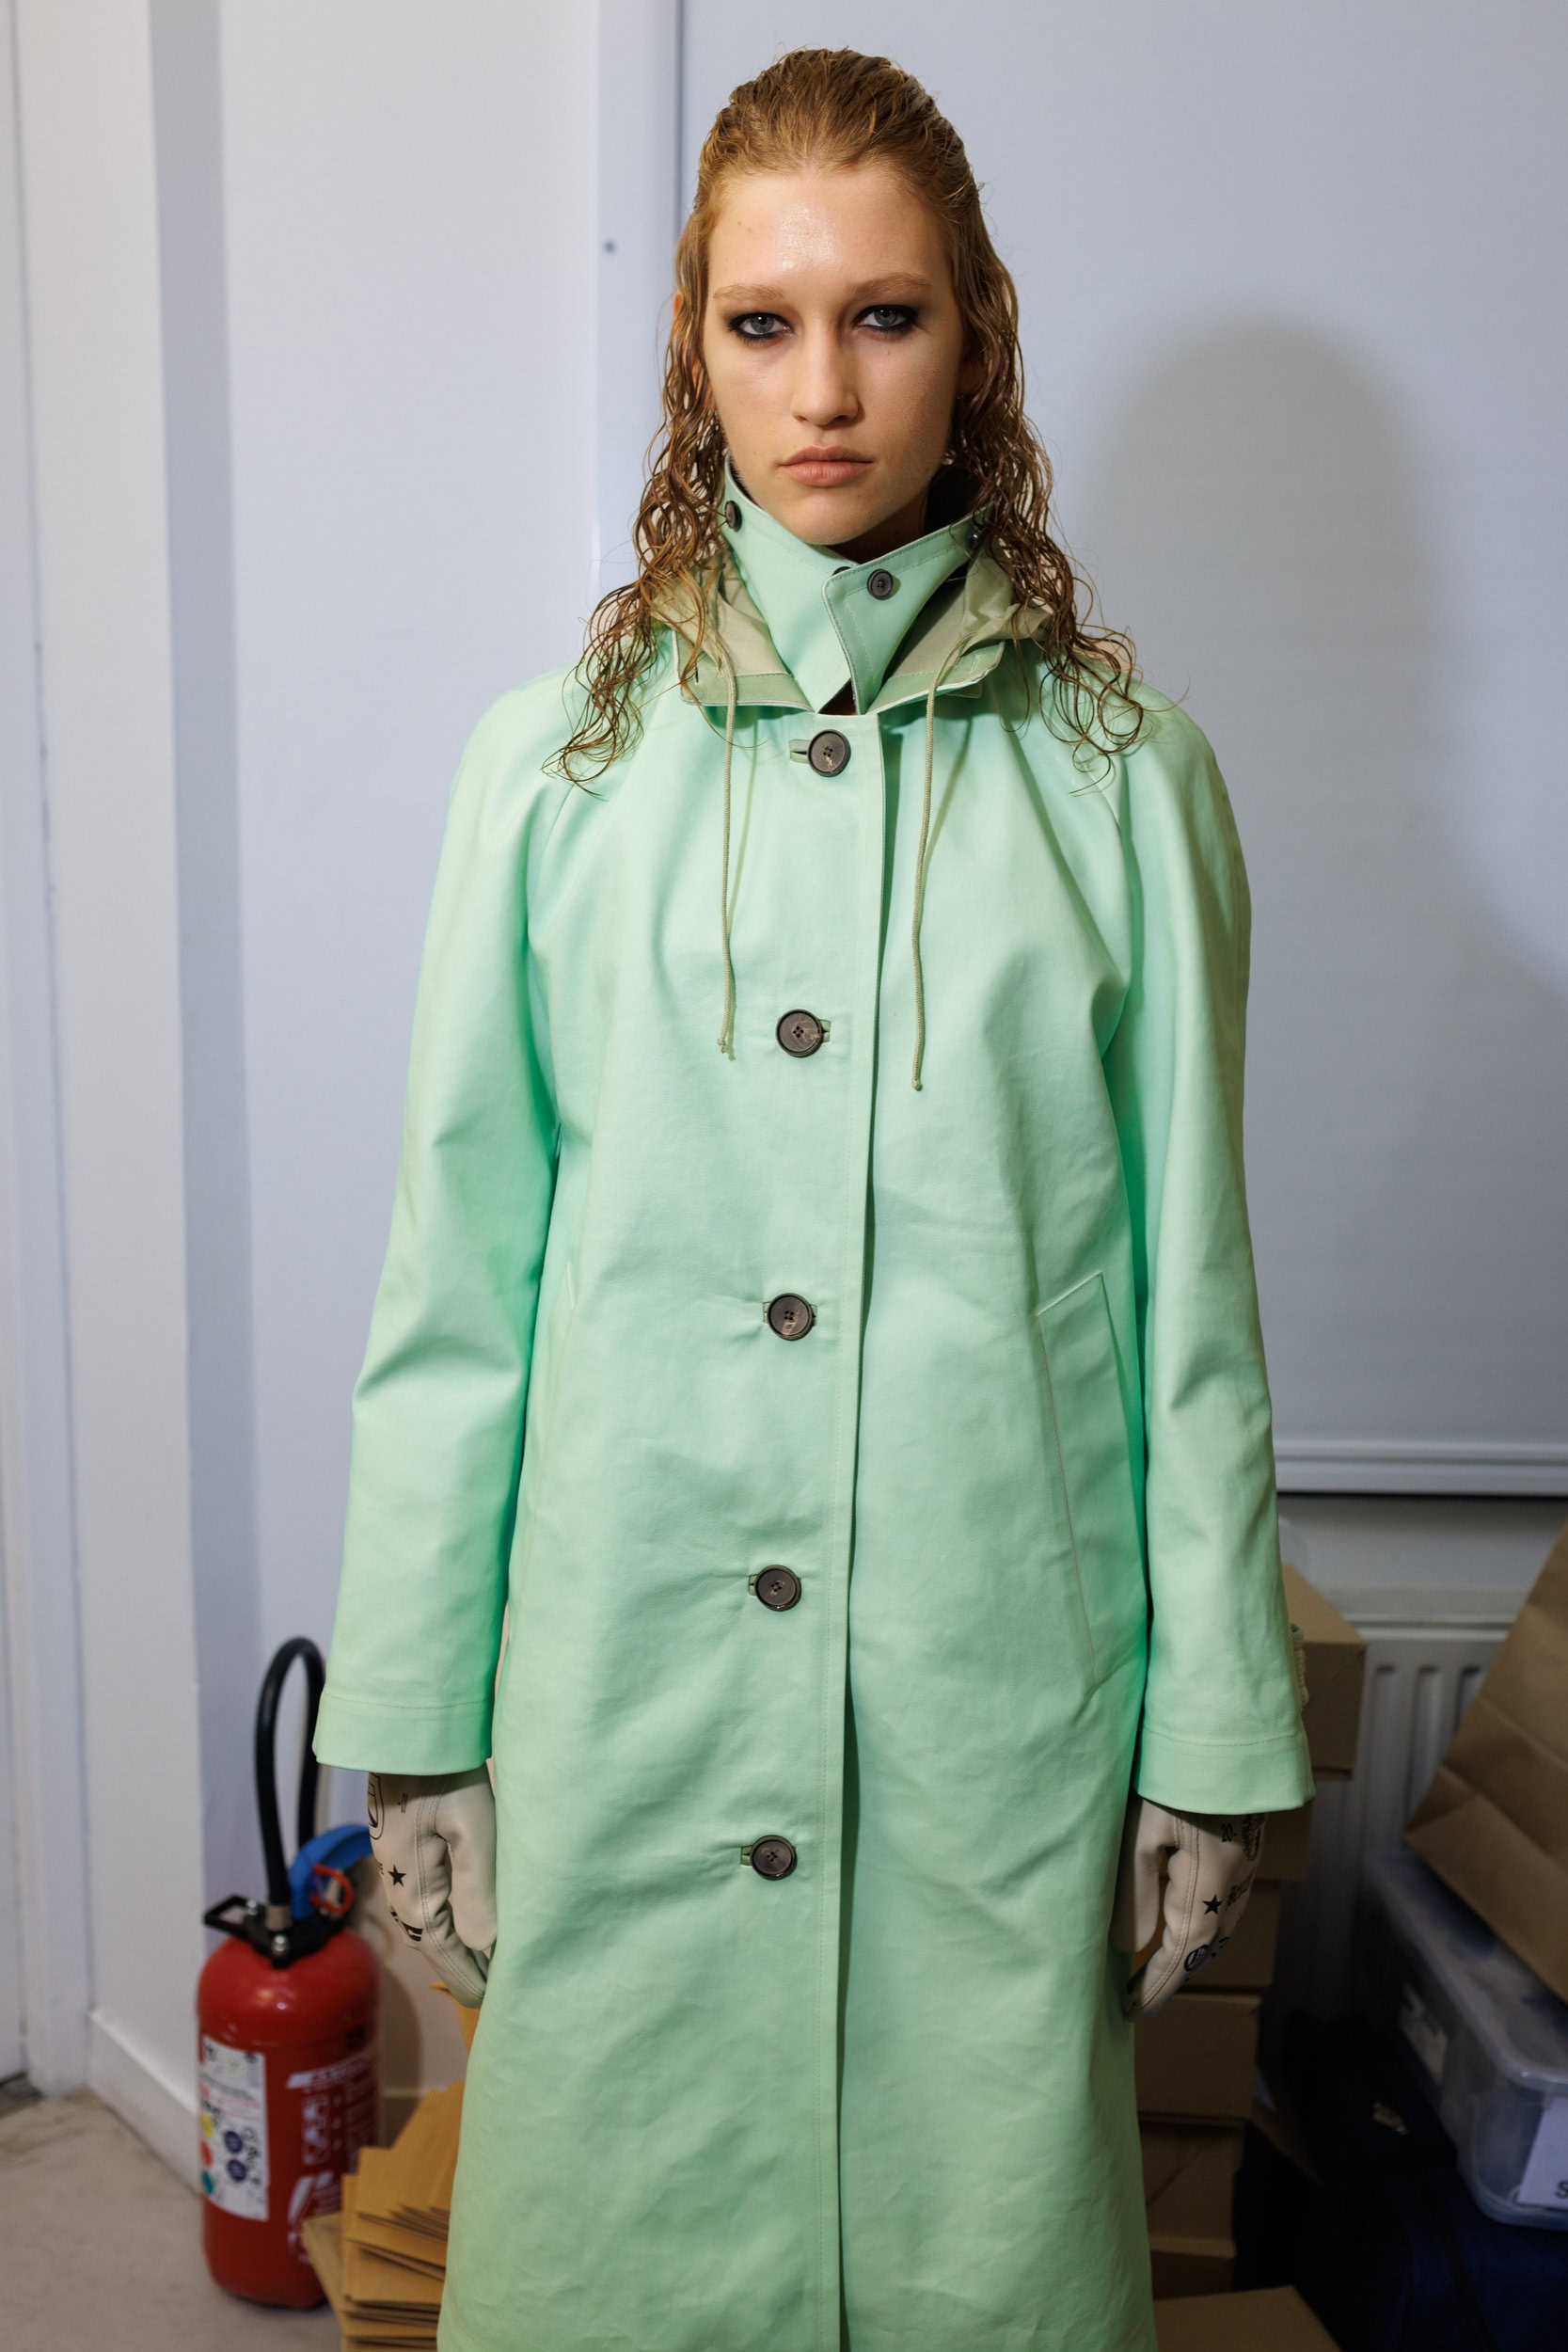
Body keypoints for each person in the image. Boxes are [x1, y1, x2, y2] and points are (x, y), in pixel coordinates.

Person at [314, 46, 1311, 2352]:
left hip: (993, 1704)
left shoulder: (1123, 783)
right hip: (630, 1692)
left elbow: (1190, 1306)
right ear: (694, 346)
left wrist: (1213, 1737)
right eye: (761, 323)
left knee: (981, 2265)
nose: (825, 390)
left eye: (885, 315)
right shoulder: (556, 773)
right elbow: (458, 1285)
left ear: (978, 337)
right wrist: (422, 1710)